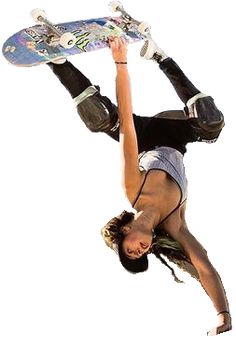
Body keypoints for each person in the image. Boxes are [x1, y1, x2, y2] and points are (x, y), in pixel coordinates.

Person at [47, 36, 231, 335]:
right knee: (212, 124)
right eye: (142, 255)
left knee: (102, 119)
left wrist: (120, 63)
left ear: (124, 232)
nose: (141, 250)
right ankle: (158, 56)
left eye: (130, 251)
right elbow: (205, 267)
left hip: (143, 135)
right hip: (174, 135)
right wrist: (223, 315)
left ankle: (59, 61)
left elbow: (128, 129)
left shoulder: (133, 187)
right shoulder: (175, 224)